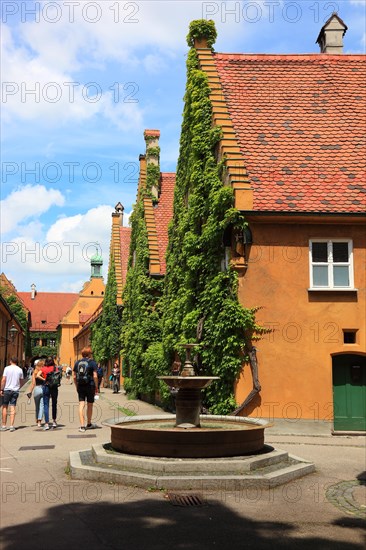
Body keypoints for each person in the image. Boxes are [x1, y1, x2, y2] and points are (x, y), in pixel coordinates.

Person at [73, 347, 99, 432]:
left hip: (80, 385)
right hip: (90, 385)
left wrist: (77, 386)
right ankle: (89, 423)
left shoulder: (77, 362)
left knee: (81, 404)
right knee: (90, 404)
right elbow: (95, 375)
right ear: (89, 354)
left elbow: (74, 376)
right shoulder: (92, 362)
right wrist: (96, 386)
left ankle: (82, 426)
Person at [0, 357, 24, 431]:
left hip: (7, 390)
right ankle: (11, 426)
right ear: (17, 362)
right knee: (13, 407)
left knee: (5, 407)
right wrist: (18, 387)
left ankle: (4, 425)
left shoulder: (7, 368)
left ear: (10, 361)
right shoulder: (20, 370)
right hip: (15, 390)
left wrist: (1, 389)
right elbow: (21, 381)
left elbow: (4, 379)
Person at [37, 357, 60, 430]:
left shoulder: (43, 368)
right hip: (54, 387)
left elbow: (37, 375)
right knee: (54, 404)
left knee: (46, 405)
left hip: (46, 387)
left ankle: (47, 423)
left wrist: (44, 379)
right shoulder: (55, 368)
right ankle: (54, 421)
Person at [27, 359, 45, 428]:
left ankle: (37, 419)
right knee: (42, 406)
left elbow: (33, 384)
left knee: (37, 407)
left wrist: (30, 392)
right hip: (43, 389)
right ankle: (39, 421)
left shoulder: (34, 372)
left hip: (37, 389)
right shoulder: (43, 372)